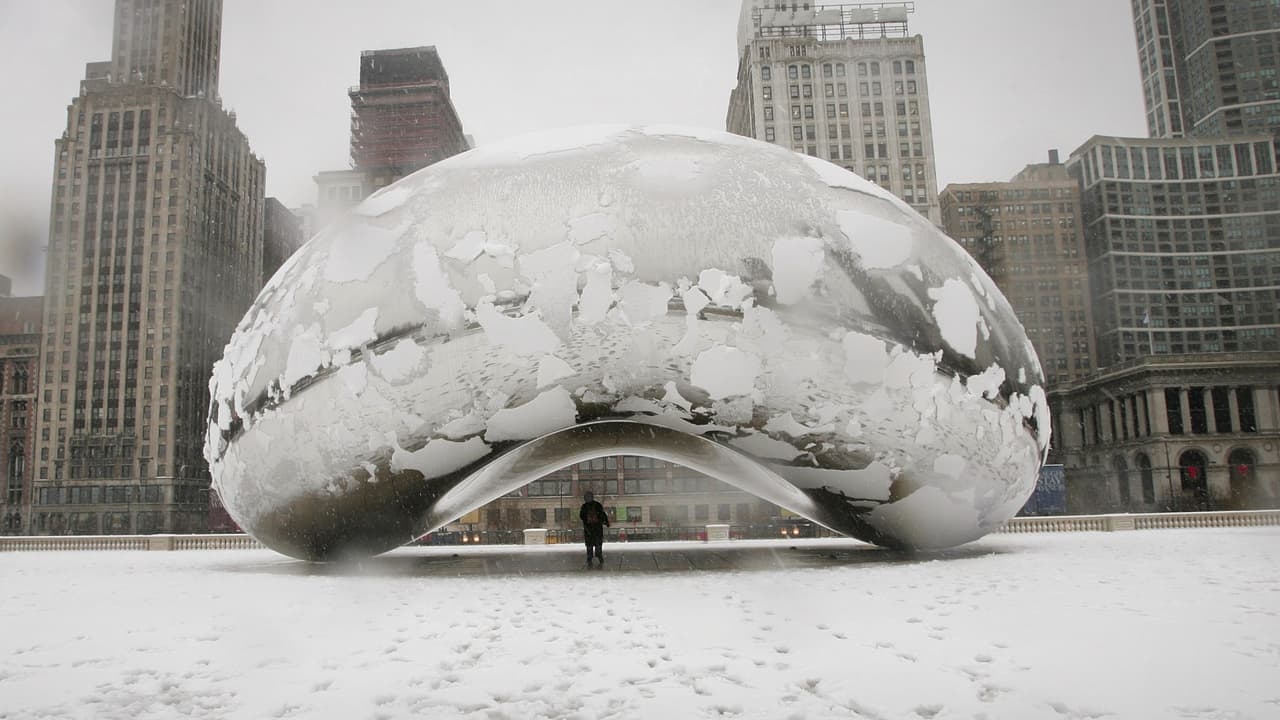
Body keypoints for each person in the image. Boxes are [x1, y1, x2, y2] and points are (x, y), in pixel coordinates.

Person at [579, 490, 610, 568]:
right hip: (597, 528)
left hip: (588, 528)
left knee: (589, 545)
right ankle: (599, 557)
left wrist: (587, 519)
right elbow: (602, 514)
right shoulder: (597, 505)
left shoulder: (584, 506)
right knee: (598, 544)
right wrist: (605, 522)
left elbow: (581, 516)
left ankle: (590, 558)